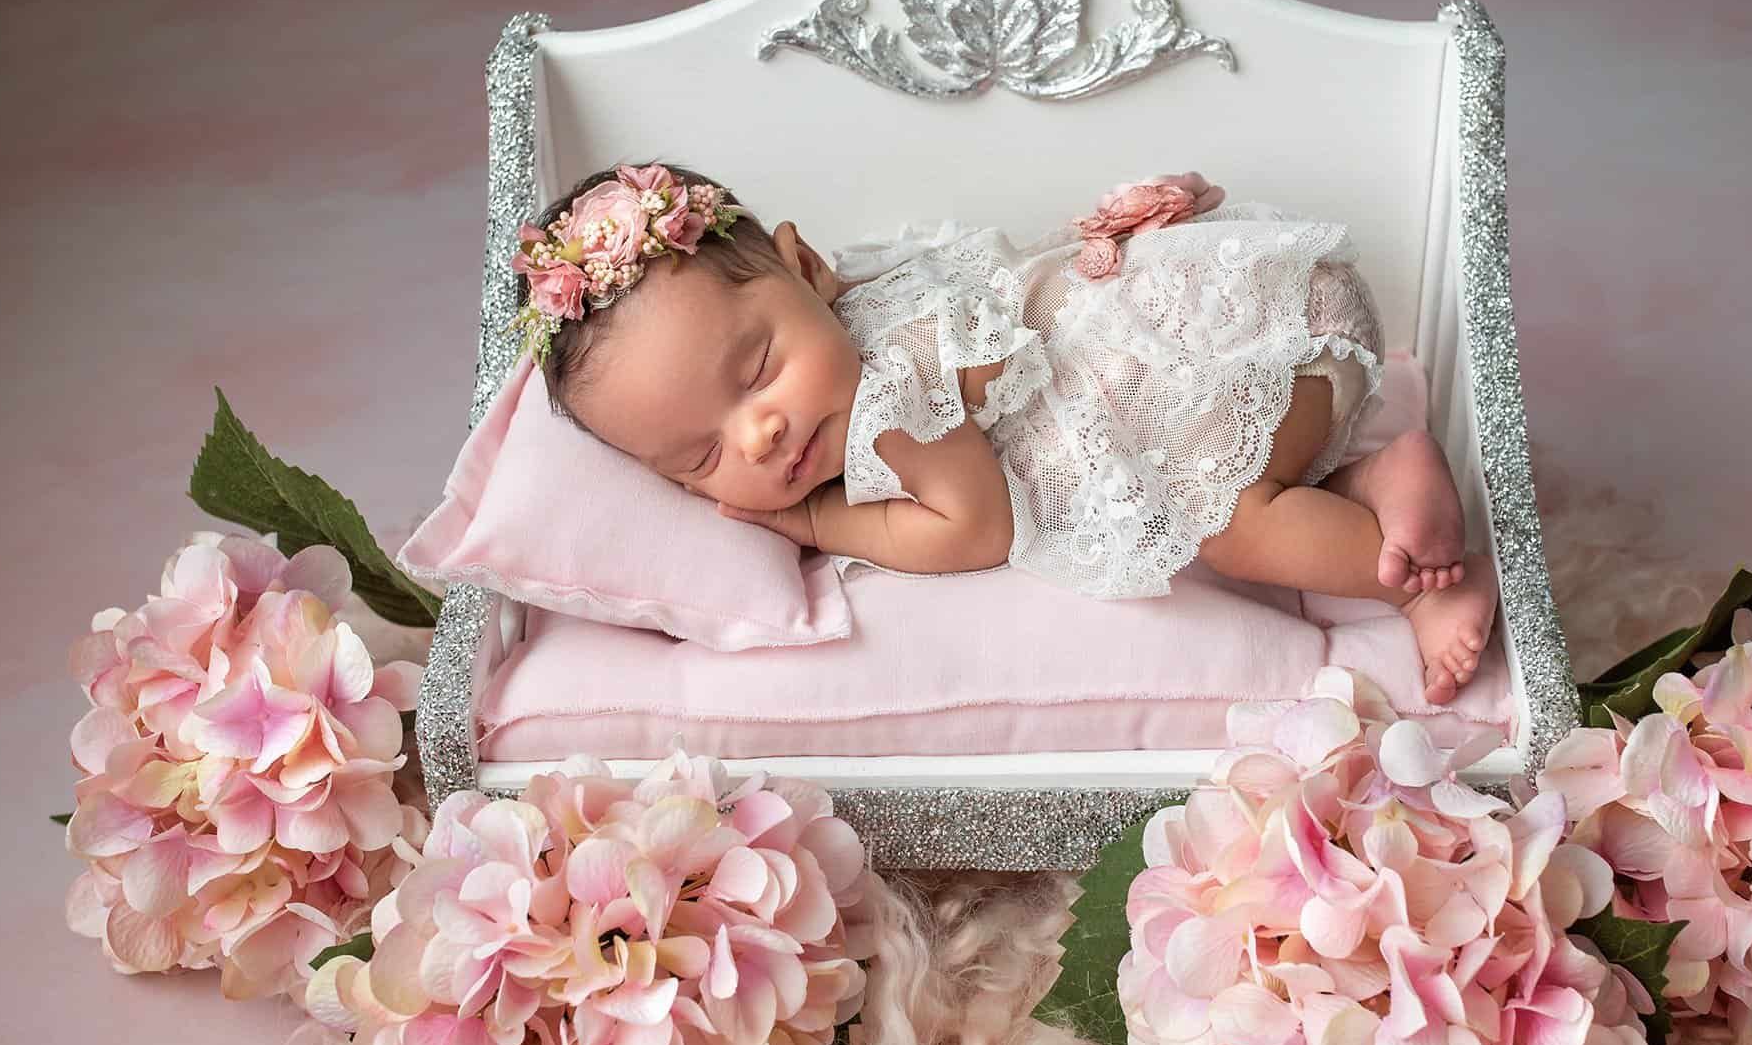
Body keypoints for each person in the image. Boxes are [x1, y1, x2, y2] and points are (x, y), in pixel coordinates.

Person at [509, 160, 1499, 704]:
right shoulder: (848, 296)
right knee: (1250, 464)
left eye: (756, 371)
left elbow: (967, 530)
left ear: (802, 267)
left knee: (1229, 523)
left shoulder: (892, 392)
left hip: (1233, 343)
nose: (760, 434)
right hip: (1268, 316)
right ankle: (1376, 463)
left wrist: (816, 526)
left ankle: (1413, 574)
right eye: (701, 456)